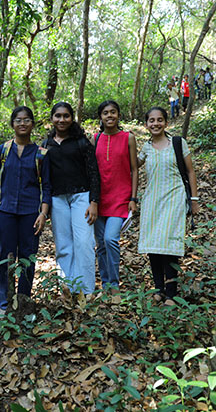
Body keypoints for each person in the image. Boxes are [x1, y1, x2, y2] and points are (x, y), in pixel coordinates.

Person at [0, 106, 51, 310]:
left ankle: (23, 301)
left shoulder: (41, 154)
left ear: (33, 124)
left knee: (27, 258)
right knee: (4, 257)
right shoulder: (2, 151)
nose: (22, 123)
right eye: (18, 120)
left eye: (26, 120)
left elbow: (46, 186)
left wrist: (43, 213)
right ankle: (5, 303)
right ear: (12, 124)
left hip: (30, 213)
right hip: (5, 212)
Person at [137, 107, 199, 305]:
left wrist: (194, 200)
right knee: (153, 245)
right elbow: (132, 166)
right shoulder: (146, 148)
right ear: (146, 124)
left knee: (169, 245)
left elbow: (190, 172)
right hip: (152, 201)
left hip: (174, 199)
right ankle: (159, 289)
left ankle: (171, 293)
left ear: (166, 122)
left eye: (159, 120)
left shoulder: (178, 143)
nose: (155, 124)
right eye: (151, 120)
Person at [43, 102, 100, 296]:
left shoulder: (82, 142)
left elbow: (94, 173)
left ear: (71, 118)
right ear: (52, 118)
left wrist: (94, 202)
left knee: (84, 242)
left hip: (81, 196)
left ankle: (86, 291)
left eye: (66, 116)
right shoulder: (46, 145)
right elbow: (42, 176)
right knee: (63, 245)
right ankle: (68, 289)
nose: (62, 120)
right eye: (58, 116)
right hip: (57, 199)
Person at [92, 101, 138, 291]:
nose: (109, 116)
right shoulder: (95, 138)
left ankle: (114, 284)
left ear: (119, 115)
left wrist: (133, 198)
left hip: (120, 198)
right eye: (105, 113)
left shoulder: (128, 138)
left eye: (113, 112)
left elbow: (134, 169)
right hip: (99, 199)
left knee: (110, 239)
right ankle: (105, 284)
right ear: (100, 117)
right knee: (101, 245)